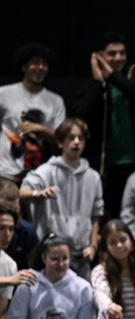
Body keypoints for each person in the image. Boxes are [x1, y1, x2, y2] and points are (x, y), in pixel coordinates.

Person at [71, 31, 135, 218]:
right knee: (102, 213)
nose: (118, 58)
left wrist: (113, 77)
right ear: (98, 56)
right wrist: (98, 83)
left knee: (133, 213)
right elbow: (80, 115)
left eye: (122, 53)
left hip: (134, 162)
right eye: (112, 53)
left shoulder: (133, 75)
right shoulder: (89, 83)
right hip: (103, 164)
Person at [19, 118, 103, 278]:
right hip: (51, 253)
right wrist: (39, 193)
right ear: (60, 143)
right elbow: (21, 193)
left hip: (80, 255)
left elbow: (96, 216)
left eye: (80, 138)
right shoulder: (47, 171)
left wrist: (92, 246)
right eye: (71, 138)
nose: (76, 142)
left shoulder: (93, 177)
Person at [0, 43, 65, 177]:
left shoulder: (56, 101)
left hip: (41, 173)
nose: (40, 68)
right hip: (5, 170)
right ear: (24, 67)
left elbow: (62, 140)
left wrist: (41, 129)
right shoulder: (4, 94)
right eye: (35, 63)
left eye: (44, 64)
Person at [0, 205, 36, 319]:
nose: (7, 234)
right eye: (1, 228)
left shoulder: (9, 264)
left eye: (11, 229)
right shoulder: (11, 276)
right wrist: (9, 280)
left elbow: (1, 314)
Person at [0, 174, 38, 270]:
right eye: (6, 209)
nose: (11, 215)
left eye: (15, 209)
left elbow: (33, 268)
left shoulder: (27, 232)